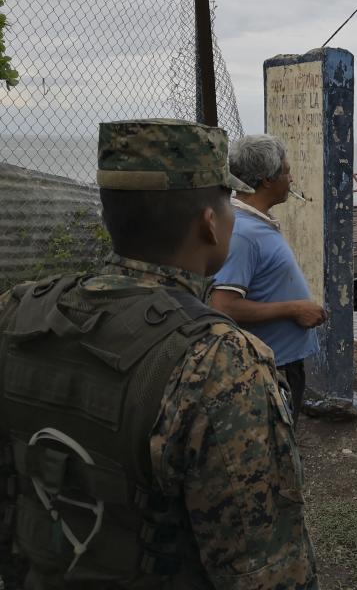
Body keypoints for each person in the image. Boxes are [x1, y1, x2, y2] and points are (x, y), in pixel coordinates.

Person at [0, 119, 319, 589]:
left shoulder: (17, 313)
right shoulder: (220, 362)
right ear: (210, 224)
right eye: (226, 205)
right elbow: (266, 571)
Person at [208, 135, 327, 427]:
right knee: (275, 451)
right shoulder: (243, 234)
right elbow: (223, 307)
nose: (291, 177)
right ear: (267, 180)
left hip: (281, 363)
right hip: (268, 369)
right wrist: (294, 309)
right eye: (286, 171)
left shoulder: (253, 223)